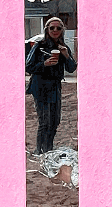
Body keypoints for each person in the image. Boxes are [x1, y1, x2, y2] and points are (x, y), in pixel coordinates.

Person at [25, 16, 77, 155]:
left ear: (62, 30)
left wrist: (66, 55)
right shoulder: (39, 45)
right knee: (45, 121)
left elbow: (71, 68)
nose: (55, 30)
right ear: (46, 29)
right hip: (40, 85)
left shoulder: (63, 47)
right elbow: (28, 66)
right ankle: (39, 150)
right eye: (52, 27)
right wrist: (44, 64)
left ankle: (48, 149)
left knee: (55, 121)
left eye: (58, 28)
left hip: (55, 86)